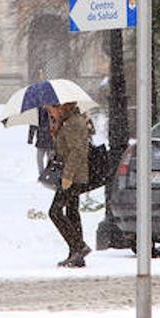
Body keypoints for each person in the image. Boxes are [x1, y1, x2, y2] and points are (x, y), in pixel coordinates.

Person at [47, 101, 92, 268]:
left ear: (61, 107)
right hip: (73, 174)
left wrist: (67, 176)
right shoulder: (68, 122)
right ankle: (76, 254)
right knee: (72, 212)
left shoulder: (74, 122)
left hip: (73, 175)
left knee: (55, 211)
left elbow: (77, 150)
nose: (49, 112)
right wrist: (56, 132)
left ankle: (79, 246)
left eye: (51, 108)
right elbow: (66, 148)